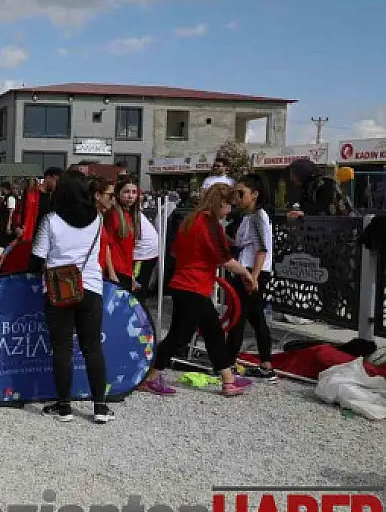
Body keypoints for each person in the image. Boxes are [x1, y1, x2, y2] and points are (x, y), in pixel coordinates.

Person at [141, 183, 257, 398]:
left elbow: (175, 252)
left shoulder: (189, 221)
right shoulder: (209, 224)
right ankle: (150, 377)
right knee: (180, 336)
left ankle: (228, 380)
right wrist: (247, 274)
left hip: (183, 284)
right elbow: (225, 259)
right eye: (228, 205)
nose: (229, 210)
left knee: (211, 332)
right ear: (220, 203)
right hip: (195, 286)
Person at [29, 171, 113, 424]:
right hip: (91, 287)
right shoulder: (98, 219)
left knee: (62, 348)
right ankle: (100, 407)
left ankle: (64, 407)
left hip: (58, 290)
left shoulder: (51, 220)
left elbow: (36, 260)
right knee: (92, 348)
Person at [227, 174, 276, 383]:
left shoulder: (256, 217)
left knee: (238, 316)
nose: (237, 198)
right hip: (251, 268)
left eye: (241, 193)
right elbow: (243, 243)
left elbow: (261, 249)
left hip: (251, 270)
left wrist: (253, 277)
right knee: (256, 318)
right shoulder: (249, 217)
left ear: (254, 195)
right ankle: (266, 365)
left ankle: (228, 363)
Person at [102, 176, 141, 293]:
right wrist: (112, 274)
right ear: (118, 194)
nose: (130, 196)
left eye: (134, 192)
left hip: (126, 271)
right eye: (126, 192)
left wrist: (132, 275)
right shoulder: (113, 215)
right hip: (116, 272)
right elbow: (107, 245)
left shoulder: (131, 215)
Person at [287, 157, 356, 218]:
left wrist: (304, 214)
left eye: (293, 175)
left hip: (345, 227)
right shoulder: (306, 188)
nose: (291, 178)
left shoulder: (326, 185)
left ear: (302, 173)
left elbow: (324, 212)